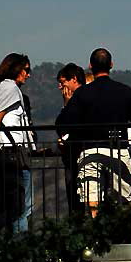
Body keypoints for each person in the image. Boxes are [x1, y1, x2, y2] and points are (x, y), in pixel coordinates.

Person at [56, 48, 131, 217]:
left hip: (90, 149)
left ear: (90, 66)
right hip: (118, 148)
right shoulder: (124, 91)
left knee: (92, 199)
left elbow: (63, 124)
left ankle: (96, 236)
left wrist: (67, 104)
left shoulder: (82, 93)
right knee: (124, 199)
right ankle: (122, 233)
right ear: (111, 65)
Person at [0, 53, 36, 233]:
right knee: (21, 208)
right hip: (14, 156)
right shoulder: (10, 89)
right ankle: (20, 250)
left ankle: (0, 245)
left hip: (8, 157)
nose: (29, 74)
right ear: (16, 69)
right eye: (26, 69)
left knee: (8, 207)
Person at [56, 63, 87, 213]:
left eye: (63, 82)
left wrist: (66, 105)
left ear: (74, 79)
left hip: (78, 156)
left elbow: (62, 126)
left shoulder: (79, 101)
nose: (60, 87)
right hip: (75, 157)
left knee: (77, 202)